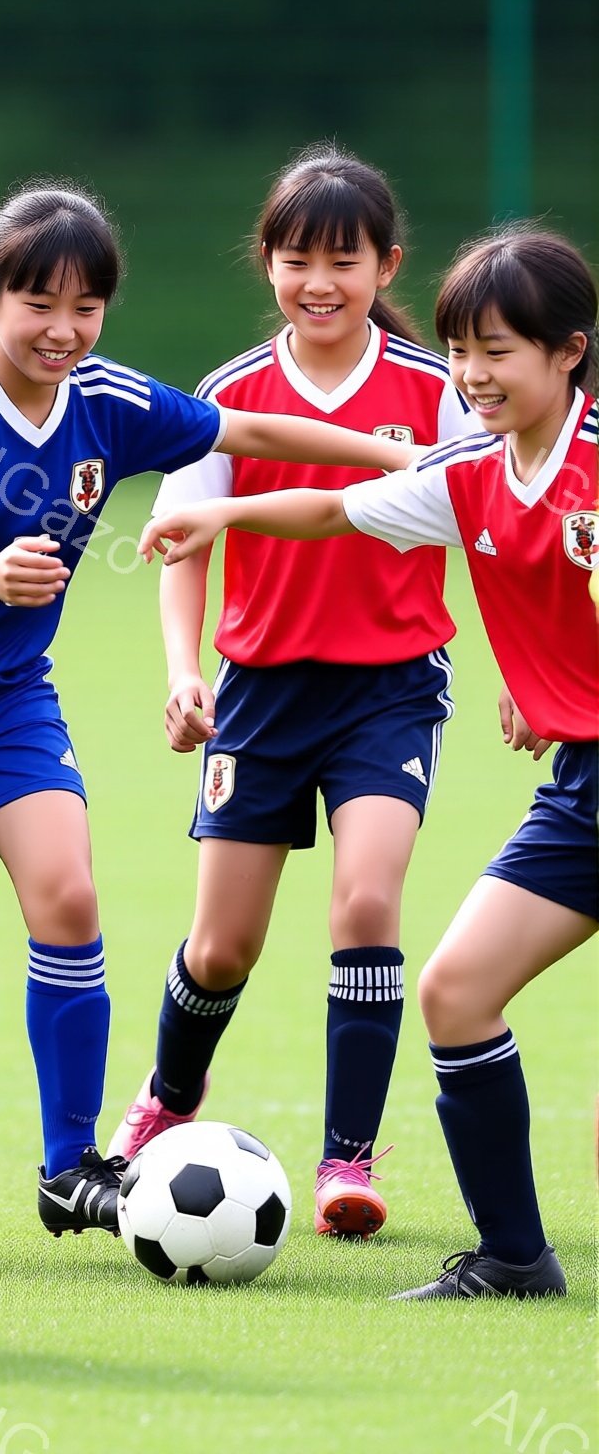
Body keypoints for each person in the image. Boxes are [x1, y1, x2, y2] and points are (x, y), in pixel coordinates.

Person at [0, 180, 419, 1253]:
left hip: (8, 699)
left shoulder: (110, 401)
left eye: (87, 308)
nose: (63, 329)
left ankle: (70, 1165)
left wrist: (394, 457)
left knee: (70, 895)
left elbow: (253, 425)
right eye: (40, 304)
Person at [138, 224, 597, 1298]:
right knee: (457, 990)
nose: (475, 375)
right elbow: (331, 509)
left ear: (567, 353)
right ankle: (515, 1260)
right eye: (463, 351)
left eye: (501, 352)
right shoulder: (474, 471)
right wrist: (221, 510)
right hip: (582, 786)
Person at [106, 145, 476, 1239]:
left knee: (366, 901)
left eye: (344, 260)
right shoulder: (225, 397)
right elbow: (181, 545)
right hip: (258, 696)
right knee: (222, 947)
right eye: (298, 257)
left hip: (391, 692)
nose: (320, 281)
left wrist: (525, 673)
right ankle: (168, 1100)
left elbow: (490, 530)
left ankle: (346, 1164)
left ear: (386, 265)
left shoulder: (436, 392)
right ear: (266, 261)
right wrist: (184, 673)